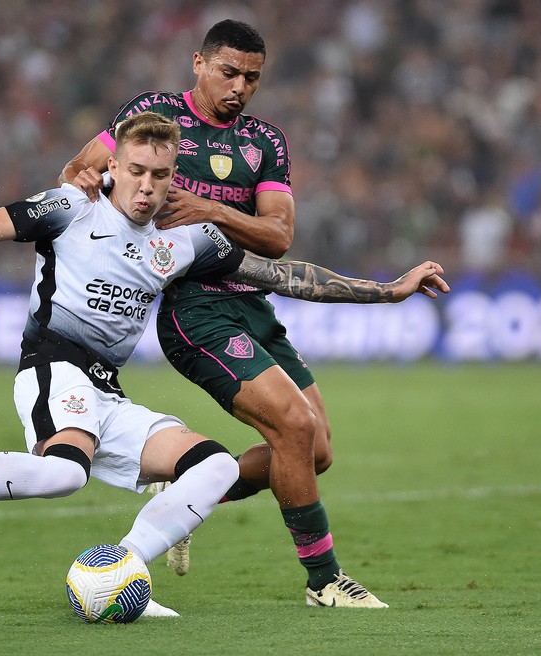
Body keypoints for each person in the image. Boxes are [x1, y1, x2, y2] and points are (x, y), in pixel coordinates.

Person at [0, 112, 448, 616]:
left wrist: (387, 291)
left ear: (176, 177)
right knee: (63, 474)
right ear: (111, 165)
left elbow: (280, 274)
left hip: (106, 389)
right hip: (52, 364)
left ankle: (119, 569)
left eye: (162, 175)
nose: (148, 187)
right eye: (137, 170)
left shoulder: (187, 240)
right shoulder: (68, 208)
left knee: (216, 465)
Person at [61, 19, 399, 607]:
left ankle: (183, 501)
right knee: (293, 427)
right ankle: (325, 582)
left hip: (254, 305)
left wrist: (210, 209)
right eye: (229, 72)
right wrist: (87, 178)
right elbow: (76, 175)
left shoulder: (265, 141)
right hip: (195, 309)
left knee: (315, 450)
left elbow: (278, 236)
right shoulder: (152, 113)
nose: (239, 86)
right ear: (199, 63)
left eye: (252, 78)